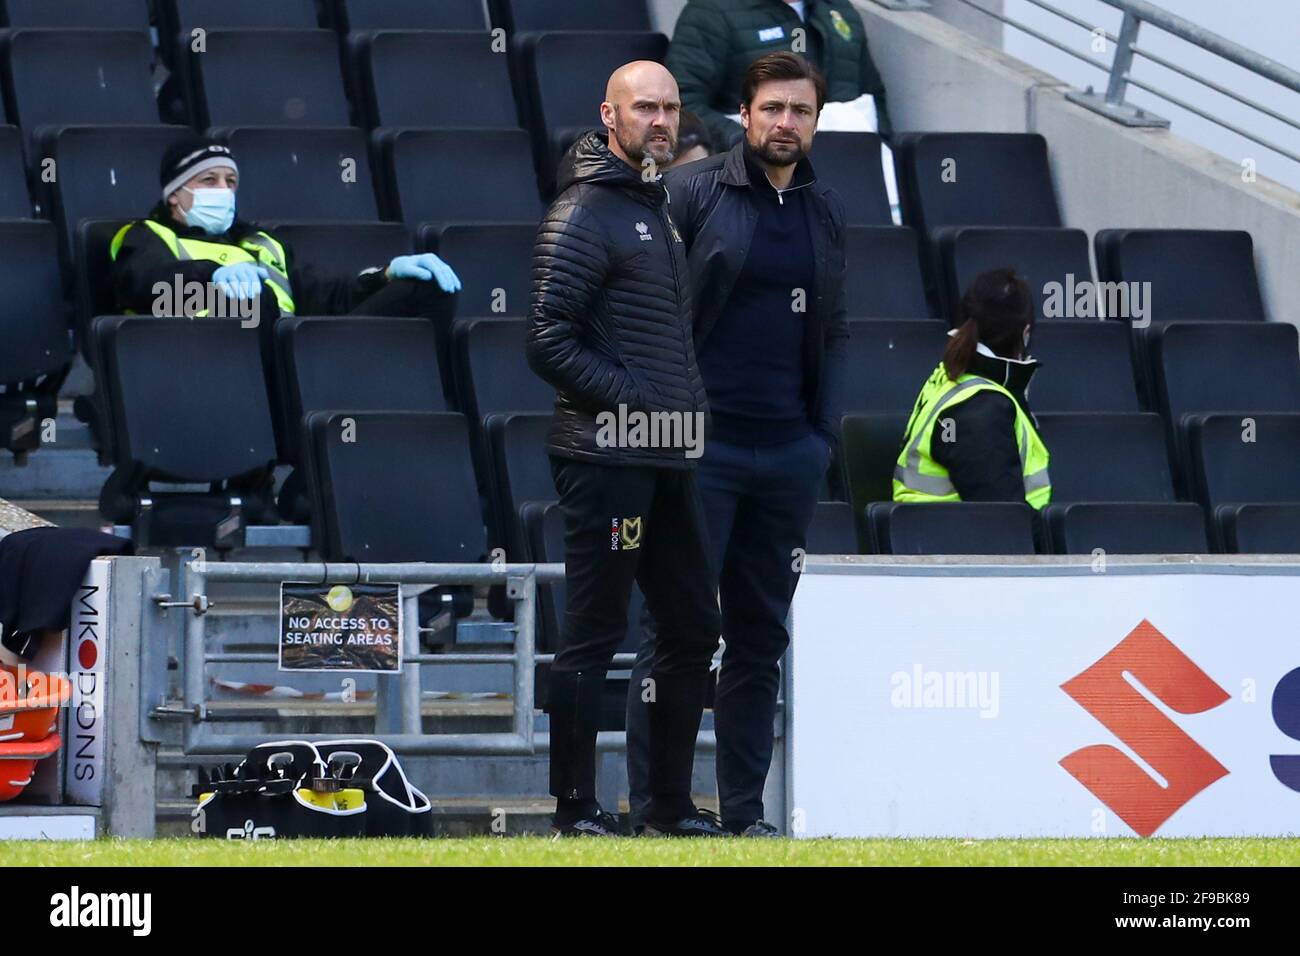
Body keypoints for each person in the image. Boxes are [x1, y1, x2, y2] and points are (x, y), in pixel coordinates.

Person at [626, 51, 848, 837]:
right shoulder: (689, 192)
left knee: (760, 638)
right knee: (679, 631)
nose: (786, 123)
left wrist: (820, 436)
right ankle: (661, 809)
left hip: (788, 455)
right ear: (745, 115)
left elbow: (834, 329)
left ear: (817, 122)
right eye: (772, 109)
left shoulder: (824, 212)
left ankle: (745, 817)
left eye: (802, 111)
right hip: (702, 451)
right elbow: (646, 315)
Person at [527, 61, 725, 838]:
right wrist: (637, 401)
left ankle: (666, 807)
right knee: (597, 629)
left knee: (689, 626)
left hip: (665, 457)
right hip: (608, 459)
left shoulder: (655, 206)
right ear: (608, 117)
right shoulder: (584, 211)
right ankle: (574, 808)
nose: (662, 120)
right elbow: (546, 339)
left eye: (672, 108)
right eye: (646, 107)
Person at [111, 136, 461, 323]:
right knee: (248, 298)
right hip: (216, 366)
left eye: (230, 181)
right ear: (175, 194)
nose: (223, 189)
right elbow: (147, 282)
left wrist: (384, 274)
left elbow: (327, 298)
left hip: (304, 359)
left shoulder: (262, 243)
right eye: (208, 180)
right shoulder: (145, 235)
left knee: (427, 288)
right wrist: (214, 275)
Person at [893, 268, 1052, 508]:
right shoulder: (980, 410)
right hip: (962, 541)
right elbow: (1005, 522)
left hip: (940, 537)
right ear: (1025, 333)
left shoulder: (953, 376)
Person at [667, 0, 891, 152]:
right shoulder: (711, 12)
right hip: (761, 181)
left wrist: (884, 154)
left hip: (855, 170)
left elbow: (873, 93)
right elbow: (681, 104)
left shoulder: (839, 8)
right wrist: (745, 142)